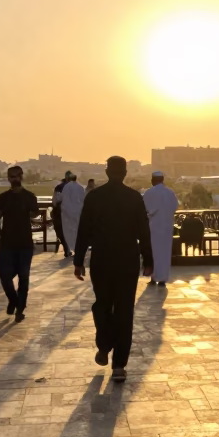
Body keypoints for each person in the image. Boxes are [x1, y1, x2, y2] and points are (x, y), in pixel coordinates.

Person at [73, 156, 153, 382]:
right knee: (125, 310)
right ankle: (119, 364)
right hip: (127, 259)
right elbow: (143, 232)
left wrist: (78, 260)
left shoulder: (95, 198)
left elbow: (83, 230)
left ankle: (104, 344)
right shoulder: (134, 198)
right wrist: (148, 260)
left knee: (102, 305)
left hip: (102, 259)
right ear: (125, 173)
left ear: (107, 172)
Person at [0, 166, 40, 322]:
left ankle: (20, 308)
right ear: (8, 178)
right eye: (11, 176)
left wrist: (27, 210)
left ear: (21, 177)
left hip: (25, 243)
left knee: (24, 277)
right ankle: (13, 300)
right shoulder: (3, 197)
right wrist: (8, 206)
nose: (13, 179)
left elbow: (35, 213)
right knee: (5, 276)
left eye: (16, 176)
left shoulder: (29, 196)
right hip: (7, 242)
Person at [142, 171, 178, 287]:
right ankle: (163, 278)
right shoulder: (170, 193)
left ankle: (154, 277)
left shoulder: (150, 192)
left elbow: (144, 208)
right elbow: (175, 207)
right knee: (165, 253)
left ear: (154, 179)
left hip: (154, 227)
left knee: (153, 252)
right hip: (167, 227)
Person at [58, 174, 86, 263]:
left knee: (68, 231)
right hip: (78, 212)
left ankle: (70, 248)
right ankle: (77, 248)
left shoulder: (66, 187)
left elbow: (63, 199)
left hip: (67, 213)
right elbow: (83, 199)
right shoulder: (80, 188)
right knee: (77, 231)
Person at [51, 171, 72, 257]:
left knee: (59, 230)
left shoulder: (58, 187)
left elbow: (54, 201)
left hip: (59, 212)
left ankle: (66, 247)